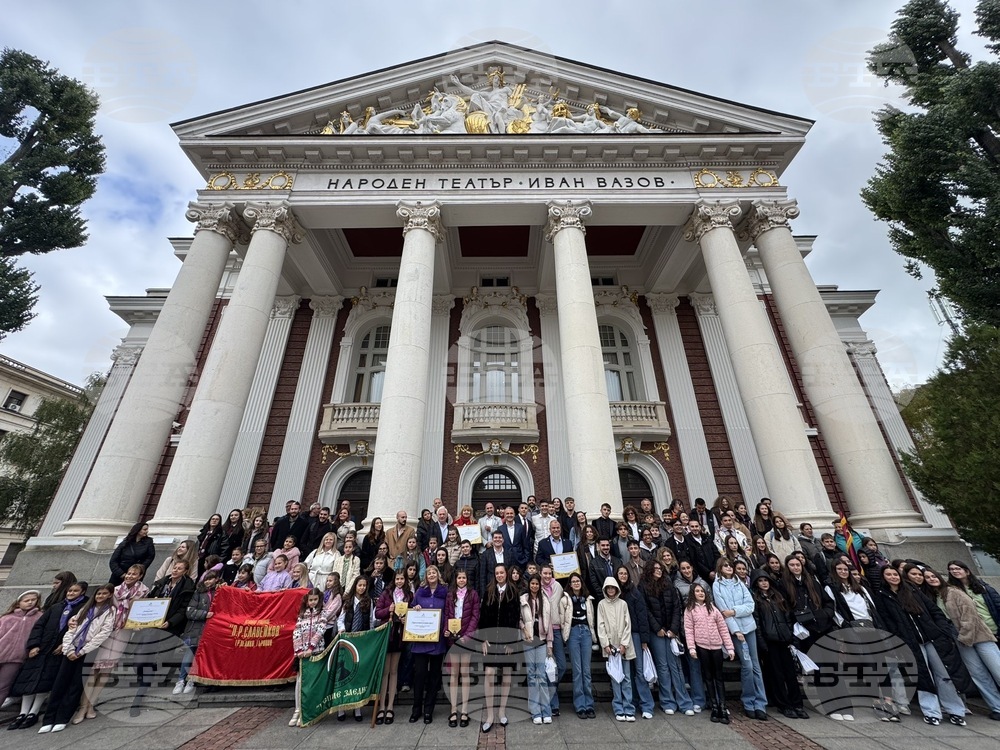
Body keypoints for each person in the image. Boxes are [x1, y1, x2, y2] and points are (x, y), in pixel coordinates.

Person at [876, 566, 969, 726]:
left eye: (895, 574)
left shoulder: (912, 590)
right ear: (883, 578)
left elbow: (934, 610)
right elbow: (887, 621)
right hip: (910, 641)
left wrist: (942, 630)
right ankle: (931, 711)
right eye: (888, 574)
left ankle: (955, 710)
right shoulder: (881, 595)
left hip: (931, 637)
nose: (893, 577)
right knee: (922, 675)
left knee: (944, 674)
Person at [8, 581, 89, 731]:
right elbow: (39, 626)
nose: (71, 593)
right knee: (29, 680)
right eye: (69, 591)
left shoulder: (84, 608)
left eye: (75, 591)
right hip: (42, 648)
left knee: (46, 681)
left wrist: (65, 644)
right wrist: (34, 645)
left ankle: (34, 712)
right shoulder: (56, 607)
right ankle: (23, 713)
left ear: (82, 592)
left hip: (60, 649)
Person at [37, 584, 114, 734]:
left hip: (88, 651)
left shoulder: (110, 611)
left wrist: (83, 650)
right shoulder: (84, 609)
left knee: (76, 685)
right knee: (60, 683)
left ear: (110, 595)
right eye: (98, 594)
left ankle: (63, 717)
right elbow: (71, 630)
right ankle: (48, 718)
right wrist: (68, 649)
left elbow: (103, 634)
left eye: (104, 594)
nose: (100, 596)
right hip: (71, 649)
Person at [924, 568, 1000, 720]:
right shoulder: (933, 597)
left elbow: (970, 614)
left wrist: (965, 636)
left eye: (933, 575)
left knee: (997, 669)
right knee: (978, 674)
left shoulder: (954, 591)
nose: (931, 579)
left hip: (978, 634)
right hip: (959, 638)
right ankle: (996, 706)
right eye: (928, 577)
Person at [85, 565, 149, 720]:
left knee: (106, 669)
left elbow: (143, 611)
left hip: (124, 631)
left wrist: (140, 623)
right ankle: (84, 705)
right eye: (128, 573)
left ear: (140, 576)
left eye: (134, 574)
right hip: (105, 629)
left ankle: (91, 704)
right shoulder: (115, 590)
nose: (130, 576)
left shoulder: (144, 591)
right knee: (93, 669)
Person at [713, 558, 768, 720]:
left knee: (756, 665)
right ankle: (748, 700)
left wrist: (735, 611)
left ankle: (761, 703)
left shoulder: (741, 583)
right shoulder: (717, 585)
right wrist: (736, 630)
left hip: (749, 627)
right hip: (737, 631)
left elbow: (750, 605)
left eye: (730, 565)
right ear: (720, 568)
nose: (729, 568)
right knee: (747, 665)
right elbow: (723, 611)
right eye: (726, 566)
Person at [640, 559, 694, 716]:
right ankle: (667, 701)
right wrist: (658, 629)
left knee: (676, 666)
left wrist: (673, 629)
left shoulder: (669, 585)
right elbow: (646, 610)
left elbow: (677, 608)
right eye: (655, 568)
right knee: (663, 667)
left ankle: (684, 701)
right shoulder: (643, 586)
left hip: (671, 631)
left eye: (660, 568)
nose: (658, 570)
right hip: (656, 632)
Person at [750, 571, 807, 719]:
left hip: (784, 639)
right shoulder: (756, 599)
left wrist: (790, 635)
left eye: (766, 580)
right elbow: (757, 622)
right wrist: (762, 642)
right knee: (777, 675)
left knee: (790, 673)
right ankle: (784, 704)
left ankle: (797, 704)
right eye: (761, 581)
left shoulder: (778, 597)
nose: (764, 583)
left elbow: (788, 617)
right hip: (770, 640)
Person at [683, 582, 735, 724]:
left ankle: (723, 706)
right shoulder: (690, 609)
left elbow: (723, 628)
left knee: (719, 676)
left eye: (702, 591)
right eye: (697, 591)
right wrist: (691, 647)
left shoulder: (713, 608)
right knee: (708, 676)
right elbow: (689, 630)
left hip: (716, 645)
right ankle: (714, 705)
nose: (700, 593)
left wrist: (729, 647)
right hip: (702, 646)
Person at [479, 564, 520, 733]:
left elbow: (516, 617)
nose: (499, 575)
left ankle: (502, 710)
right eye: (497, 573)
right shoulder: (489, 591)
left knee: (506, 675)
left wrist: (512, 642)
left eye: (502, 572)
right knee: (489, 673)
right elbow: (483, 616)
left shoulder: (513, 592)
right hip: (490, 639)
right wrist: (482, 639)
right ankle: (490, 715)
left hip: (507, 640)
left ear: (506, 574)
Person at [409, 565, 448, 724]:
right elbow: (411, 608)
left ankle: (428, 710)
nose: (431, 575)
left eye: (434, 572)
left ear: (438, 575)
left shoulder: (445, 592)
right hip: (420, 641)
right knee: (419, 676)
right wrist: (415, 608)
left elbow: (449, 612)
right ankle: (416, 709)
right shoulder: (420, 591)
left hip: (437, 639)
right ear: (426, 576)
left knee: (434, 676)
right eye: (429, 573)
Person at [614, 564, 654, 719]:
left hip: (635, 634)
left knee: (639, 670)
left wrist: (644, 639)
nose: (623, 576)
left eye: (625, 573)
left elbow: (642, 616)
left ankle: (647, 705)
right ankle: (632, 701)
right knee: (627, 672)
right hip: (619, 636)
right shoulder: (614, 594)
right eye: (620, 573)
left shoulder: (635, 592)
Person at [374, 571, 411, 725]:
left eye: (402, 579)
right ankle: (381, 706)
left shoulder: (409, 595)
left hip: (398, 634)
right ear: (394, 579)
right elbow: (377, 613)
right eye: (397, 578)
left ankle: (390, 706)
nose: (400, 581)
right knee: (385, 672)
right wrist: (388, 610)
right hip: (386, 634)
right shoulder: (386, 594)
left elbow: (412, 615)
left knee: (394, 670)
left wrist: (407, 617)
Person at [174, 570, 220, 696]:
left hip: (211, 630)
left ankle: (192, 680)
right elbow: (190, 611)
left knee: (202, 657)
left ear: (216, 579)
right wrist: (205, 614)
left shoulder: (220, 592)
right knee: (189, 654)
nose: (208, 582)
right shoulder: (198, 593)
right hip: (195, 629)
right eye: (206, 579)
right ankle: (181, 680)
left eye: (211, 579)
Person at [596, 575, 635, 721]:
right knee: (615, 678)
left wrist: (624, 644)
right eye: (609, 588)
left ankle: (629, 707)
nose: (611, 590)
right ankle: (618, 708)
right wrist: (605, 644)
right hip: (611, 647)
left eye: (613, 587)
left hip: (623, 646)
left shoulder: (623, 604)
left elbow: (627, 624)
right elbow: (601, 625)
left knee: (626, 678)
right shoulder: (601, 604)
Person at [337, 576, 374, 721]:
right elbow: (341, 619)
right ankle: (341, 708)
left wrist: (370, 635)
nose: (362, 588)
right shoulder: (348, 601)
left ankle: (357, 708)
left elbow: (371, 620)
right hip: (348, 639)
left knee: (357, 674)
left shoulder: (368, 602)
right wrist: (342, 629)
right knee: (344, 675)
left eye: (364, 585)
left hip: (361, 640)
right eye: (360, 585)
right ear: (355, 586)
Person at [560, 572, 596, 718]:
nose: (576, 583)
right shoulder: (565, 600)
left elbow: (591, 618)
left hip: (586, 632)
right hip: (573, 633)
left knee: (586, 671)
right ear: (570, 584)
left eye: (578, 581)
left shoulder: (588, 599)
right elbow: (563, 620)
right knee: (577, 671)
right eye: (573, 581)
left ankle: (589, 704)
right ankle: (580, 704)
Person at [288, 588, 326, 727]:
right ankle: (297, 710)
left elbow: (321, 630)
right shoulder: (302, 614)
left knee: (312, 681)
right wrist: (298, 649)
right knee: (299, 680)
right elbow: (296, 631)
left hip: (315, 651)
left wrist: (311, 647)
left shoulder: (322, 613)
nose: (313, 602)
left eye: (315, 599)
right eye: (310, 600)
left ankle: (309, 710)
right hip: (301, 652)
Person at [782, 555, 835, 652]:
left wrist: (826, 614)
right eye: (792, 565)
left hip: (824, 626)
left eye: (798, 564)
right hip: (805, 631)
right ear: (787, 567)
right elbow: (786, 609)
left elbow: (828, 601)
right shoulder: (783, 585)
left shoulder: (812, 582)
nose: (796, 567)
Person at [520, 573, 554, 724]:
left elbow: (549, 622)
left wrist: (550, 644)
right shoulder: (523, 599)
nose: (534, 586)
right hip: (528, 640)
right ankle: (535, 711)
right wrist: (523, 629)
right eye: (532, 583)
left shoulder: (545, 599)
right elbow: (519, 618)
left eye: (536, 584)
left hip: (541, 640)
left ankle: (546, 710)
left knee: (542, 676)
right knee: (532, 676)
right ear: (529, 585)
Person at [0, 591, 42, 710]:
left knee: (3, 685)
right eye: (26, 600)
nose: (30, 602)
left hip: (16, 658)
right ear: (18, 603)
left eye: (33, 600)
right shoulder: (7, 618)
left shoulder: (39, 617)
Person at [947, 560, 1000, 639]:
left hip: (995, 626)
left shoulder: (983, 586)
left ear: (967, 571)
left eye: (957, 568)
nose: (954, 571)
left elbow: (998, 604)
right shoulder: (953, 591)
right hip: (980, 633)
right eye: (951, 569)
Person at [321, 573, 343, 643]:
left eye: (330, 581)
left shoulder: (337, 596)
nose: (328, 583)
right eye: (327, 581)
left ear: (335, 582)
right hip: (321, 624)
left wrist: (321, 618)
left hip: (329, 625)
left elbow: (331, 612)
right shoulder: (325, 593)